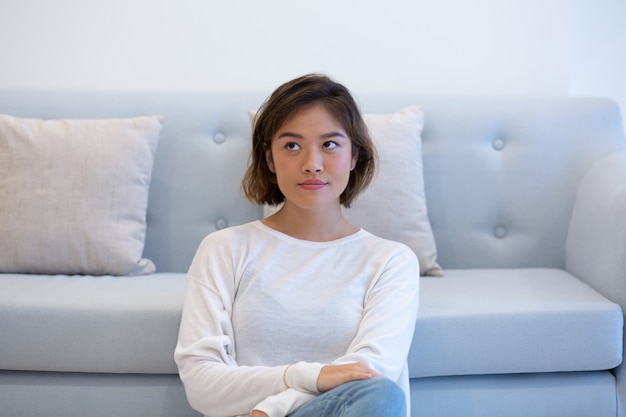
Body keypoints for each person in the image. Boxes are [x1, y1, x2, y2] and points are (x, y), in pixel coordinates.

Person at [174, 74, 420, 417]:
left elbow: (367, 375)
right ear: (270, 159)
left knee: (379, 395)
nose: (312, 164)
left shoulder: (391, 261)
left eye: (330, 145)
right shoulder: (224, 249)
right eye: (292, 145)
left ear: (354, 156)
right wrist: (311, 376)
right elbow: (202, 382)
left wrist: (272, 409)